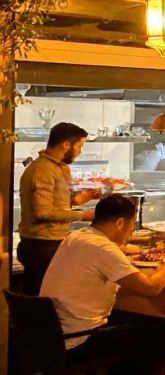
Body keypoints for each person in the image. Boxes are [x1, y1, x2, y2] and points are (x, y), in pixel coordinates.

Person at [39, 194, 165, 375]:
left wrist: (140, 251)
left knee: (135, 322)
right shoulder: (104, 249)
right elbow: (151, 288)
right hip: (78, 342)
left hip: (49, 338)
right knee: (162, 336)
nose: (131, 233)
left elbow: (113, 255)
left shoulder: (76, 237)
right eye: (131, 226)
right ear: (120, 223)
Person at [18, 122, 101, 295]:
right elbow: (43, 212)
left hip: (53, 243)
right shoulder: (43, 170)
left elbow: (63, 203)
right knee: (43, 299)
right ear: (66, 144)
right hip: (41, 246)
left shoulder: (60, 167)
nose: (80, 151)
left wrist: (89, 196)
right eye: (80, 146)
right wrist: (84, 216)